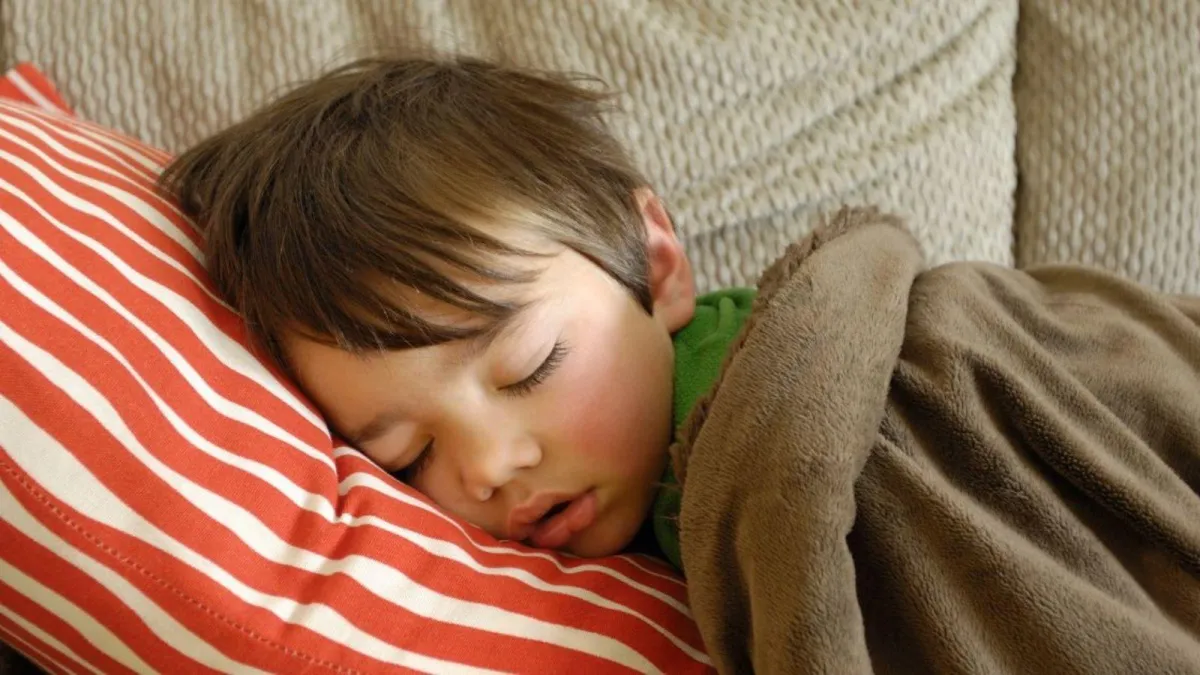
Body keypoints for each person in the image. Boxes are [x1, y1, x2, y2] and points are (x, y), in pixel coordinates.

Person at [160, 53, 749, 568]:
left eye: (531, 367)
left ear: (655, 261)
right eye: (410, 459)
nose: (488, 468)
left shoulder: (750, 409)